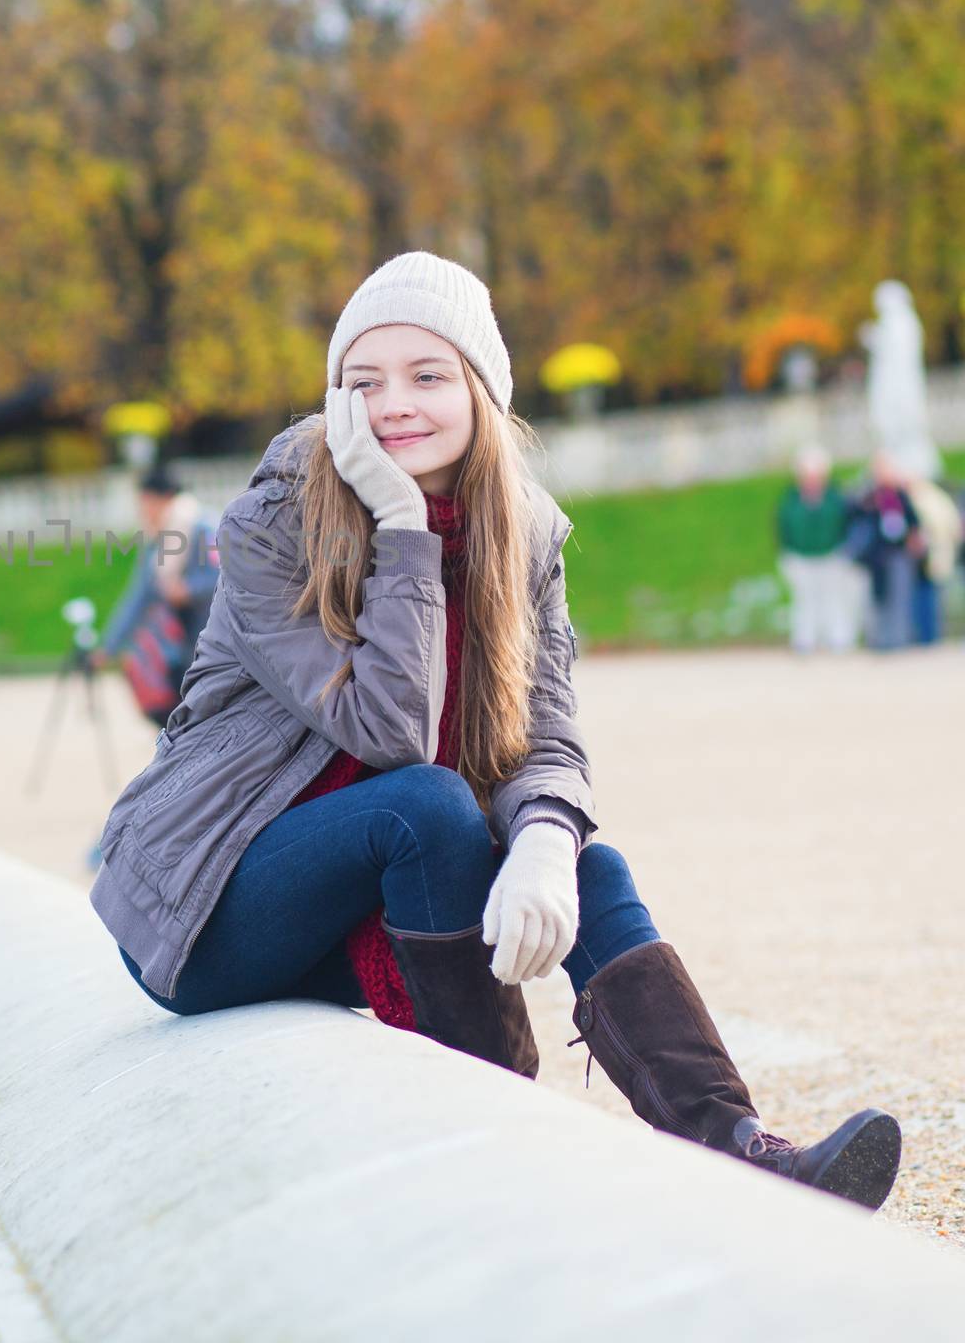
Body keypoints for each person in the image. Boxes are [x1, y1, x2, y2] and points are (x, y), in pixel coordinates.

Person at [89, 251, 902, 1211]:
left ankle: (739, 1143)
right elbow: (389, 732)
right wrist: (402, 527)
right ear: (336, 402)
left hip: (378, 896)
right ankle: (509, 1139)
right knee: (426, 804)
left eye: (428, 376)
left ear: (482, 390)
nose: (395, 403)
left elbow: (545, 735)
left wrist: (548, 843)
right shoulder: (273, 524)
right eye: (365, 381)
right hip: (213, 909)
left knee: (586, 867)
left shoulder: (525, 539)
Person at [91, 465, 221, 727]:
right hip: (180, 647)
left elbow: (227, 576)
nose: (142, 511)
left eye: (144, 503)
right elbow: (138, 596)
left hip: (212, 640)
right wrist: (108, 646)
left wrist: (188, 589)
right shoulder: (157, 539)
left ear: (159, 498)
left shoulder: (205, 527)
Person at [775, 445, 857, 653]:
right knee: (805, 600)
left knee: (834, 598)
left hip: (831, 554)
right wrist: (788, 554)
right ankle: (805, 640)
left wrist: (842, 549)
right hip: (801, 556)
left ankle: (839, 639)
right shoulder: (791, 499)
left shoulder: (835, 497)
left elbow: (844, 524)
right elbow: (783, 528)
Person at [846, 452, 924, 651]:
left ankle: (898, 639)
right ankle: (879, 640)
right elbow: (853, 515)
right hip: (876, 557)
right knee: (877, 599)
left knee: (900, 597)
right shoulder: (868, 495)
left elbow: (913, 521)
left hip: (898, 552)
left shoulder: (901, 494)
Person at [904, 472, 962, 645]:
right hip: (925, 556)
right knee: (924, 597)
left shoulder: (928, 499)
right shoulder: (934, 497)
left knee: (928, 597)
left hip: (931, 554)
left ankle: (929, 637)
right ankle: (927, 636)